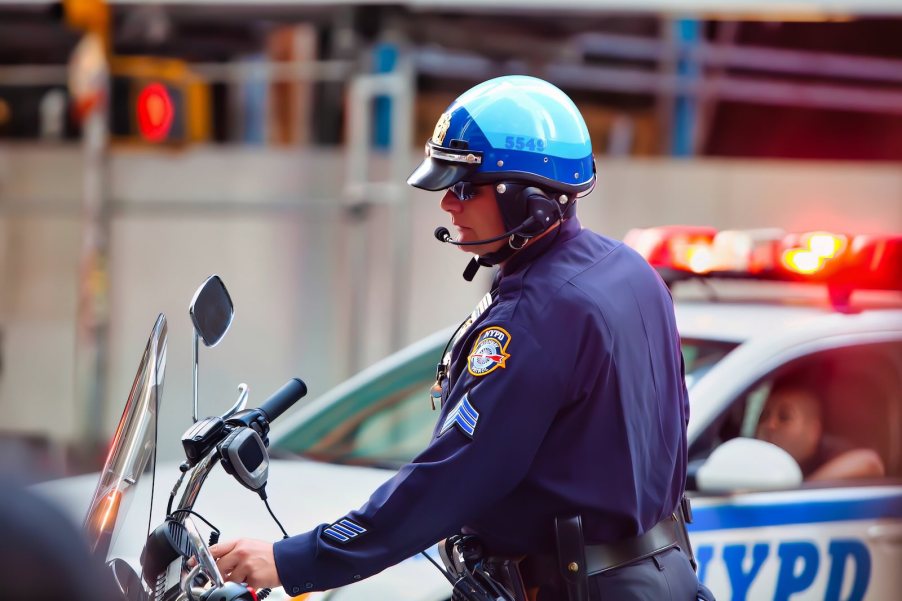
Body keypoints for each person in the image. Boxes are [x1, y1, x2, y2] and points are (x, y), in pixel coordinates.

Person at [211, 75, 709, 600]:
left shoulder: (539, 314)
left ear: (529, 199)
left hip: (577, 588)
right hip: (661, 575)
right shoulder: (629, 271)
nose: (448, 204)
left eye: (465, 188)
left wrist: (292, 560)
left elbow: (450, 479)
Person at [755, 370, 885, 481]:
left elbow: (870, 463)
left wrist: (801, 492)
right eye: (764, 415)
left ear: (813, 432)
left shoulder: (828, 453)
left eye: (784, 417)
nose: (769, 425)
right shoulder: (754, 459)